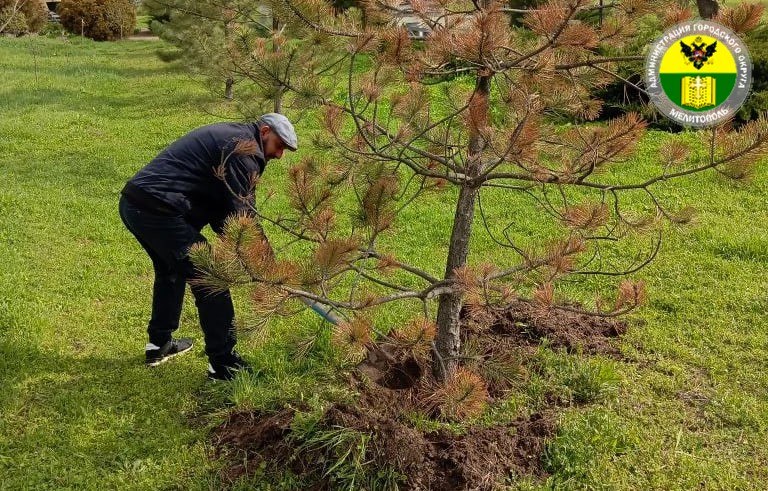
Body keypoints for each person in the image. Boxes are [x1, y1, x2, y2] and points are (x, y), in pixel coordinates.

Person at [118, 113, 297, 381]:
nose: (280, 155)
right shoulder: (243, 151)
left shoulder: (236, 139)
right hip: (157, 210)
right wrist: (267, 264)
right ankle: (223, 365)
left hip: (137, 204)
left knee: (172, 270)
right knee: (211, 279)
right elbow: (242, 218)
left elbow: (222, 210)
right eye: (279, 145)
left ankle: (159, 345)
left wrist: (249, 254)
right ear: (265, 131)